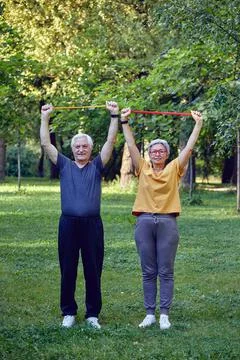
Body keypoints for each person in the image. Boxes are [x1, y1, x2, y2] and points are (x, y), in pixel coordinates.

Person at [120, 108, 203, 330]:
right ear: (148, 155)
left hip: (167, 223)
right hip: (144, 222)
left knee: (166, 270)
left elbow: (188, 148)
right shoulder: (142, 168)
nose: (157, 154)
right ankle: (150, 313)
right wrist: (125, 121)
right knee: (148, 271)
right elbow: (130, 146)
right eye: (153, 151)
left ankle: (164, 314)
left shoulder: (175, 168)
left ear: (166, 154)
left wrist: (198, 124)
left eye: (161, 151)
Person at [40, 101, 119, 329]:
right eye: (77, 147)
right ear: (73, 149)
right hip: (68, 225)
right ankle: (69, 312)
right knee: (68, 268)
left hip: (92, 225)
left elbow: (111, 142)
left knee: (93, 269)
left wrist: (114, 116)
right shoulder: (64, 165)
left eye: (85, 146)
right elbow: (46, 143)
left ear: (90, 149)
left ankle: (92, 314)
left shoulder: (96, 166)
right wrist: (45, 118)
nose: (81, 149)